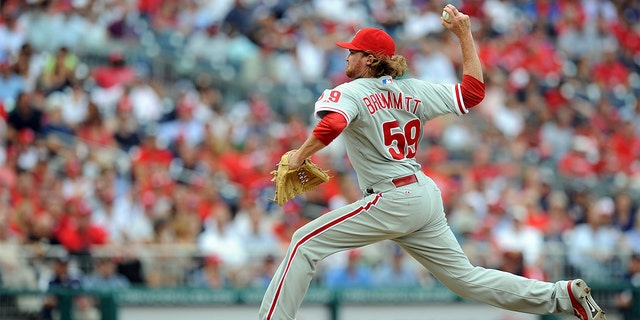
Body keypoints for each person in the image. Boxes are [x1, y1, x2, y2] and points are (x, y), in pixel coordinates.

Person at [258, 4, 607, 320]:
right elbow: (473, 93)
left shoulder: (351, 91)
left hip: (391, 197)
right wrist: (465, 35)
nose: (347, 58)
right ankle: (562, 297)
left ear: (369, 59)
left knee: (304, 242)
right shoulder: (415, 89)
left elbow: (333, 123)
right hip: (422, 196)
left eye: (352, 52)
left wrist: (299, 155)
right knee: (465, 279)